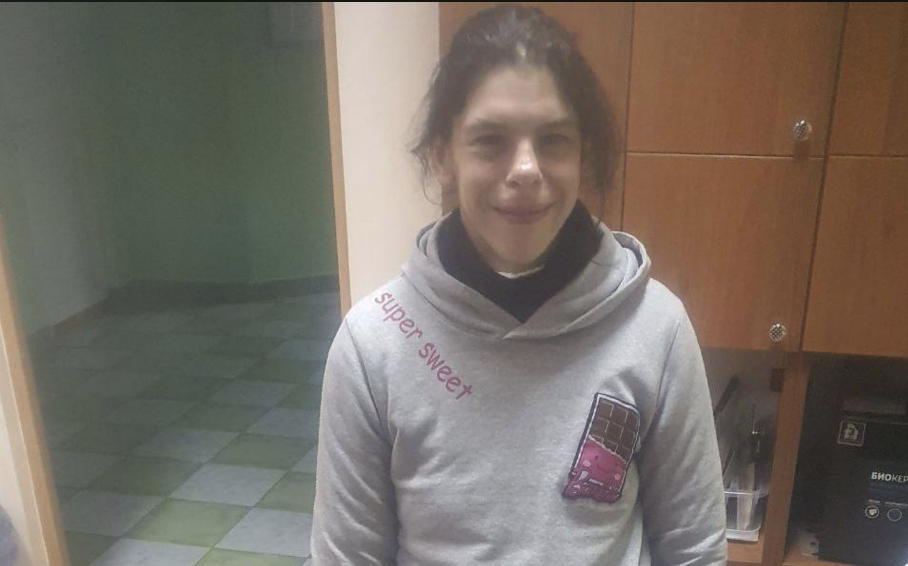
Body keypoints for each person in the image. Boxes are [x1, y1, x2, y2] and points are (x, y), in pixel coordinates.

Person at [310, 5, 727, 565]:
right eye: (490, 140)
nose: (526, 169)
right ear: (443, 156)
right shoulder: (373, 347)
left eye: (553, 139)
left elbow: (694, 549)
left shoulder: (656, 330)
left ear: (582, 155)